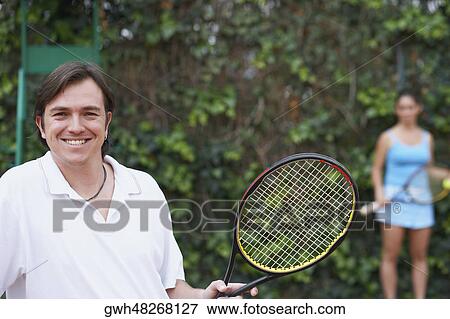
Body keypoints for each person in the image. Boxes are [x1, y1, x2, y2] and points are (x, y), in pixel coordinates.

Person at [0, 61, 257, 298]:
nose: (76, 126)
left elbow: (169, 289)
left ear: (107, 122)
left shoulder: (144, 186)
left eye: (89, 114)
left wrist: (203, 298)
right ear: (42, 125)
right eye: (61, 114)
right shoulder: (16, 190)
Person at [371, 90, 434, 299]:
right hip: (392, 202)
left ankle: (420, 305)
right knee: (390, 255)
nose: (406, 112)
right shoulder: (387, 138)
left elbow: (429, 171)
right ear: (396, 110)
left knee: (420, 256)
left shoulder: (427, 138)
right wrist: (380, 193)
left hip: (421, 201)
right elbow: (376, 169)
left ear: (418, 109)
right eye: (401, 108)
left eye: (410, 107)